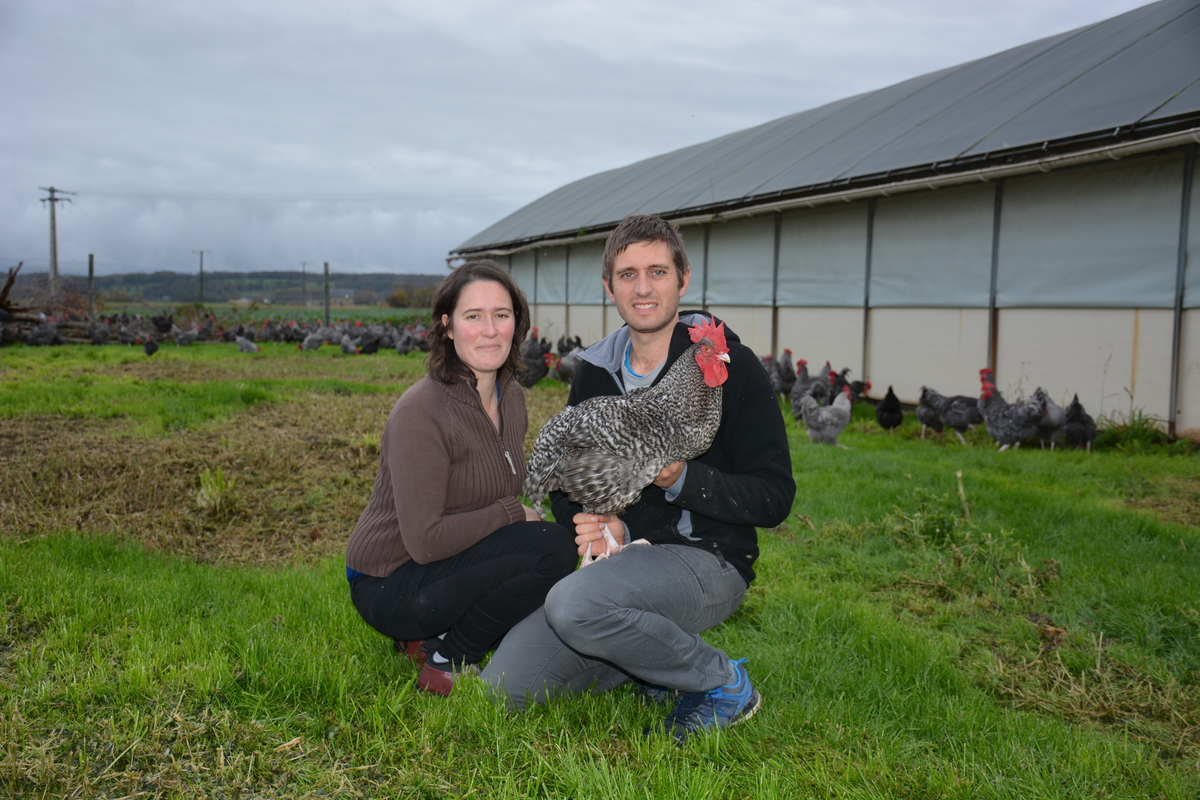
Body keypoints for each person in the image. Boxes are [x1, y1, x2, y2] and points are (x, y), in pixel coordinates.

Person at [482, 215, 795, 742]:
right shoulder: (594, 371)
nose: (643, 288)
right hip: (623, 562)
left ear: (683, 279)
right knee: (508, 687)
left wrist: (679, 478)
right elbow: (569, 478)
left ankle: (721, 683)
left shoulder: (728, 365)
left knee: (574, 605)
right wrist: (597, 521)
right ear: (610, 287)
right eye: (628, 274)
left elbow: (774, 496)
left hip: (708, 559)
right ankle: (651, 664)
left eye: (657, 271)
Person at [345, 260, 577, 696]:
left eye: (501, 315)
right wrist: (512, 513)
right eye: (473, 316)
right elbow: (425, 541)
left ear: (516, 323)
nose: (490, 330)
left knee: (540, 556)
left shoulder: (512, 398)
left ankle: (430, 636)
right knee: (553, 549)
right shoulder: (422, 411)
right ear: (447, 326)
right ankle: (449, 658)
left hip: (439, 565)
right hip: (388, 581)